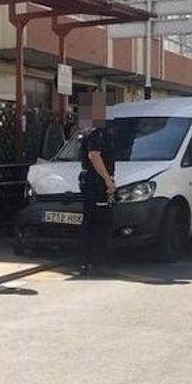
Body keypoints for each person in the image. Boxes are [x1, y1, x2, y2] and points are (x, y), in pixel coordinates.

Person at [78, 94, 116, 275]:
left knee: (94, 222)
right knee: (98, 223)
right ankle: (93, 262)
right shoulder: (94, 132)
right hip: (95, 183)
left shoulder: (91, 131)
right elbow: (94, 156)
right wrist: (107, 179)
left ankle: (91, 261)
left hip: (93, 181)